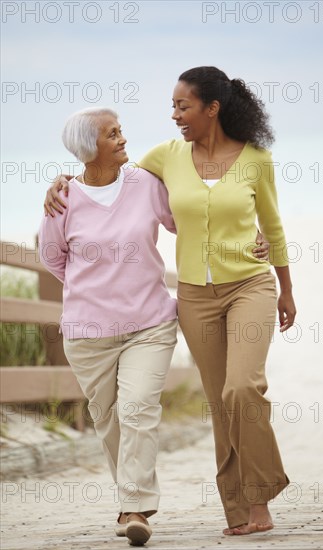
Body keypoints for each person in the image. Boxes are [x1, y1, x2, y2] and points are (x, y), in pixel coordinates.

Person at [44, 66, 295, 537]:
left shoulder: (241, 162)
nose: (174, 115)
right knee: (198, 406)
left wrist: (275, 269)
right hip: (159, 308)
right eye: (173, 106)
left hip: (209, 300)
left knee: (226, 393)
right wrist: (61, 182)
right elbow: (75, 226)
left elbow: (242, 221)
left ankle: (249, 498)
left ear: (212, 108)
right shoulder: (156, 161)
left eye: (183, 106)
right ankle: (223, 512)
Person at [38, 107, 179, 546]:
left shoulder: (147, 185)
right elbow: (52, 256)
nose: (122, 139)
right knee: (108, 419)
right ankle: (129, 501)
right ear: (88, 148)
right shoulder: (62, 199)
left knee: (138, 408)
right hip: (88, 332)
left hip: (150, 323)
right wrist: (94, 290)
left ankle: (135, 506)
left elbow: (186, 222)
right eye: (111, 134)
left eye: (120, 131)